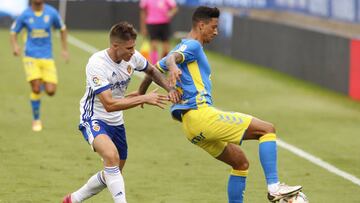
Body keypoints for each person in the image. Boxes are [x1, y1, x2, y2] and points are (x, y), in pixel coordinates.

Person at [138, 6, 302, 203]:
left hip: (191, 128)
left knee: (240, 163)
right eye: (213, 27)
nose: (216, 32)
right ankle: (275, 188)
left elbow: (154, 69)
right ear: (201, 25)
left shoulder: (181, 48)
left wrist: (140, 93)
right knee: (267, 130)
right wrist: (173, 67)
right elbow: (171, 60)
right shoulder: (193, 46)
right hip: (201, 115)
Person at [62, 21, 179, 203]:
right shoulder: (97, 64)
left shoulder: (132, 57)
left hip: (116, 121)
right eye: (129, 48)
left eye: (134, 47)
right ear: (115, 46)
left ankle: (73, 199)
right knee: (111, 157)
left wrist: (169, 88)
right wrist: (143, 98)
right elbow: (108, 104)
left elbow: (152, 70)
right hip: (94, 117)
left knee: (114, 171)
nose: (133, 52)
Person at [10, 0, 69, 132]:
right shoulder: (25, 14)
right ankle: (36, 120)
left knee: (51, 91)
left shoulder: (52, 12)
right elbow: (14, 31)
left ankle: (39, 82)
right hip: (30, 56)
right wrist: (15, 46)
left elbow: (63, 29)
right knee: (36, 89)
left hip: (47, 57)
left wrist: (64, 49)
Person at [139, 0, 178, 64]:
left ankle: (164, 65)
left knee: (166, 47)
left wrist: (170, 13)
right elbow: (143, 12)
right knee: (154, 45)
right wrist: (143, 27)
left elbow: (175, 8)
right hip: (152, 23)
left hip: (164, 24)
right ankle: (155, 65)